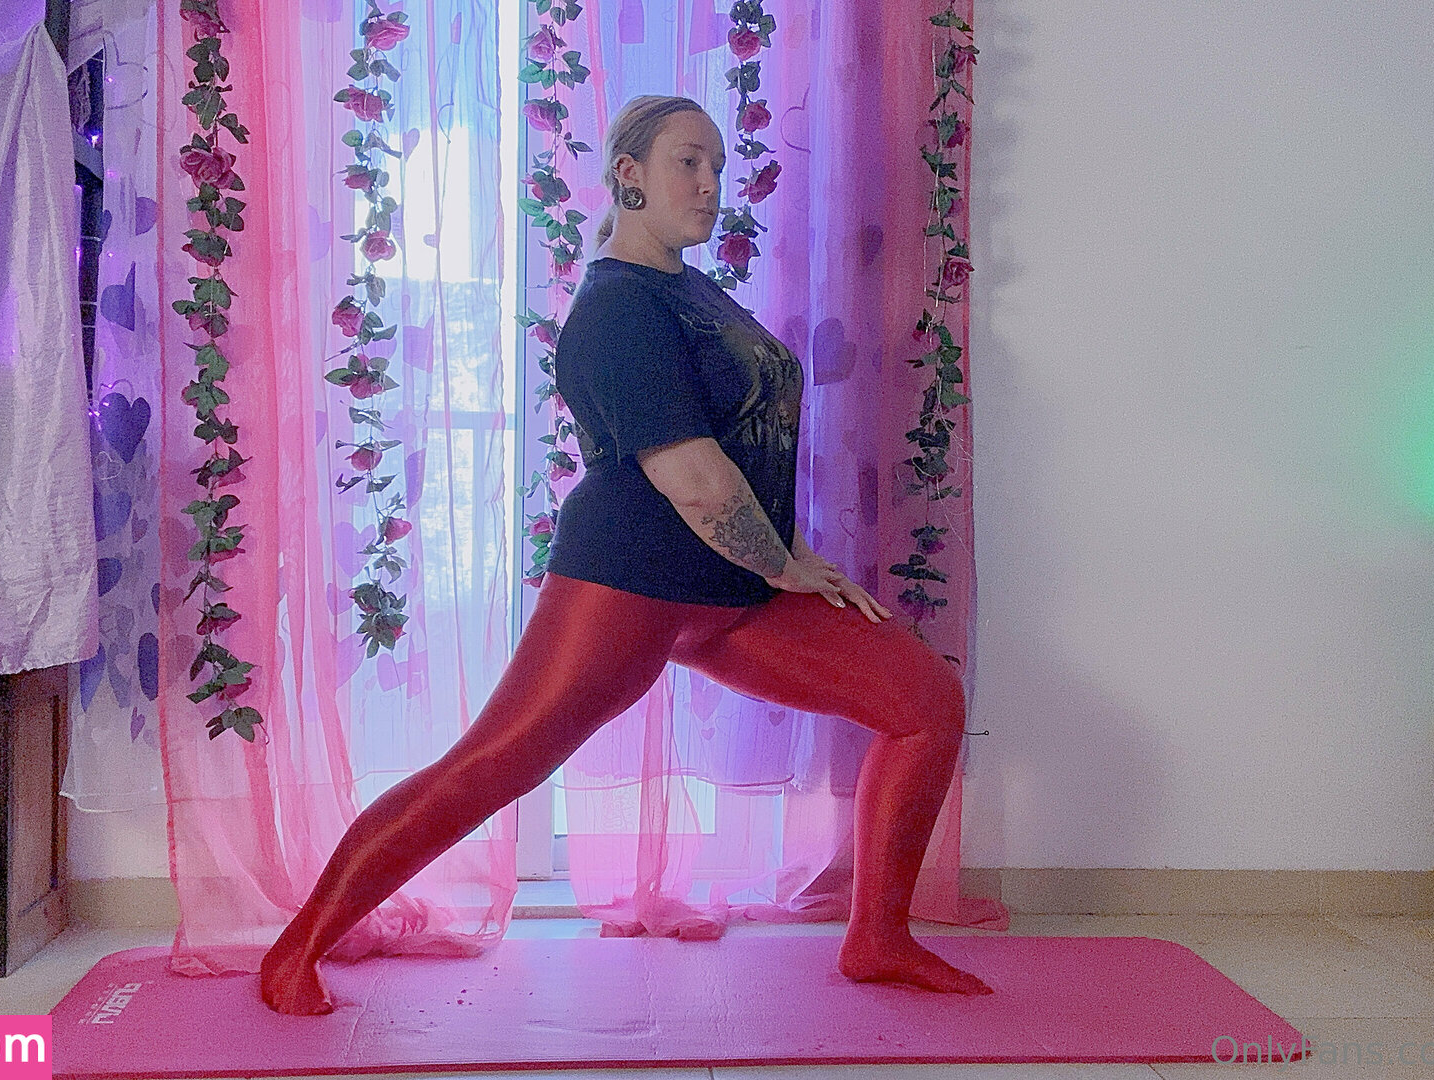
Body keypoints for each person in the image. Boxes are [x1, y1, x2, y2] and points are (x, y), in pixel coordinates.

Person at [258, 94, 991, 1015]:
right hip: (627, 585)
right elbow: (694, 478)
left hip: (733, 590)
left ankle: (879, 940)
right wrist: (784, 567)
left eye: (718, 165)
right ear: (628, 174)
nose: (710, 183)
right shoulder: (616, 309)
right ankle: (295, 951)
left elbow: (747, 449)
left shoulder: (691, 291)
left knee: (924, 704)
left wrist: (791, 554)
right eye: (688, 161)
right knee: (492, 765)